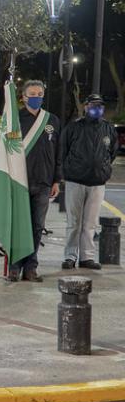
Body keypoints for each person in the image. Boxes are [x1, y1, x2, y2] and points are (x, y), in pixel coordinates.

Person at [7, 80, 62, 283]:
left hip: (44, 182)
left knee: (37, 227)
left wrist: (57, 180)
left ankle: (31, 268)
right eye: (33, 93)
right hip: (20, 182)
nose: (37, 96)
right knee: (19, 226)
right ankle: (15, 267)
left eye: (40, 93)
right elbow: (7, 151)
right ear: (24, 97)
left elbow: (58, 153)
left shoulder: (52, 121)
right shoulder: (14, 120)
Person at [60, 94, 118, 270]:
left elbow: (112, 153)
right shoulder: (74, 127)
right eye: (93, 105)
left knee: (90, 223)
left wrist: (102, 170)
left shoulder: (108, 129)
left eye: (100, 106)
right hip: (75, 181)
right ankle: (70, 256)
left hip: (97, 183)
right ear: (85, 107)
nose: (97, 109)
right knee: (74, 223)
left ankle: (87, 258)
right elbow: (63, 150)